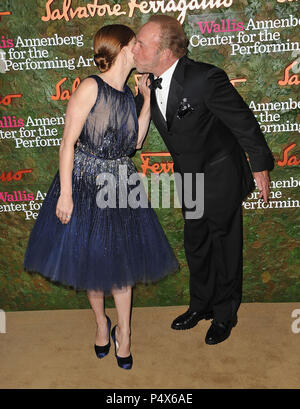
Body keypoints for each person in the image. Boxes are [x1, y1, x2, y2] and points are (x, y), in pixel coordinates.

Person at [24, 24, 179, 370]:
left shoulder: (127, 95)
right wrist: (66, 194)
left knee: (121, 265)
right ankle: (100, 324)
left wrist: (147, 99)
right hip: (83, 183)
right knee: (92, 264)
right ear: (124, 48)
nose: (140, 50)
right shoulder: (90, 87)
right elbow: (67, 143)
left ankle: (125, 333)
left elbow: (136, 143)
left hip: (120, 184)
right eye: (136, 44)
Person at [133, 15, 274, 345]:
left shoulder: (205, 78)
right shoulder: (146, 84)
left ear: (166, 52)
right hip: (189, 177)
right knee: (196, 242)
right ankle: (201, 305)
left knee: (224, 244)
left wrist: (260, 166)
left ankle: (225, 314)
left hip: (221, 172)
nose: (134, 48)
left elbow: (243, 123)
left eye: (141, 43)